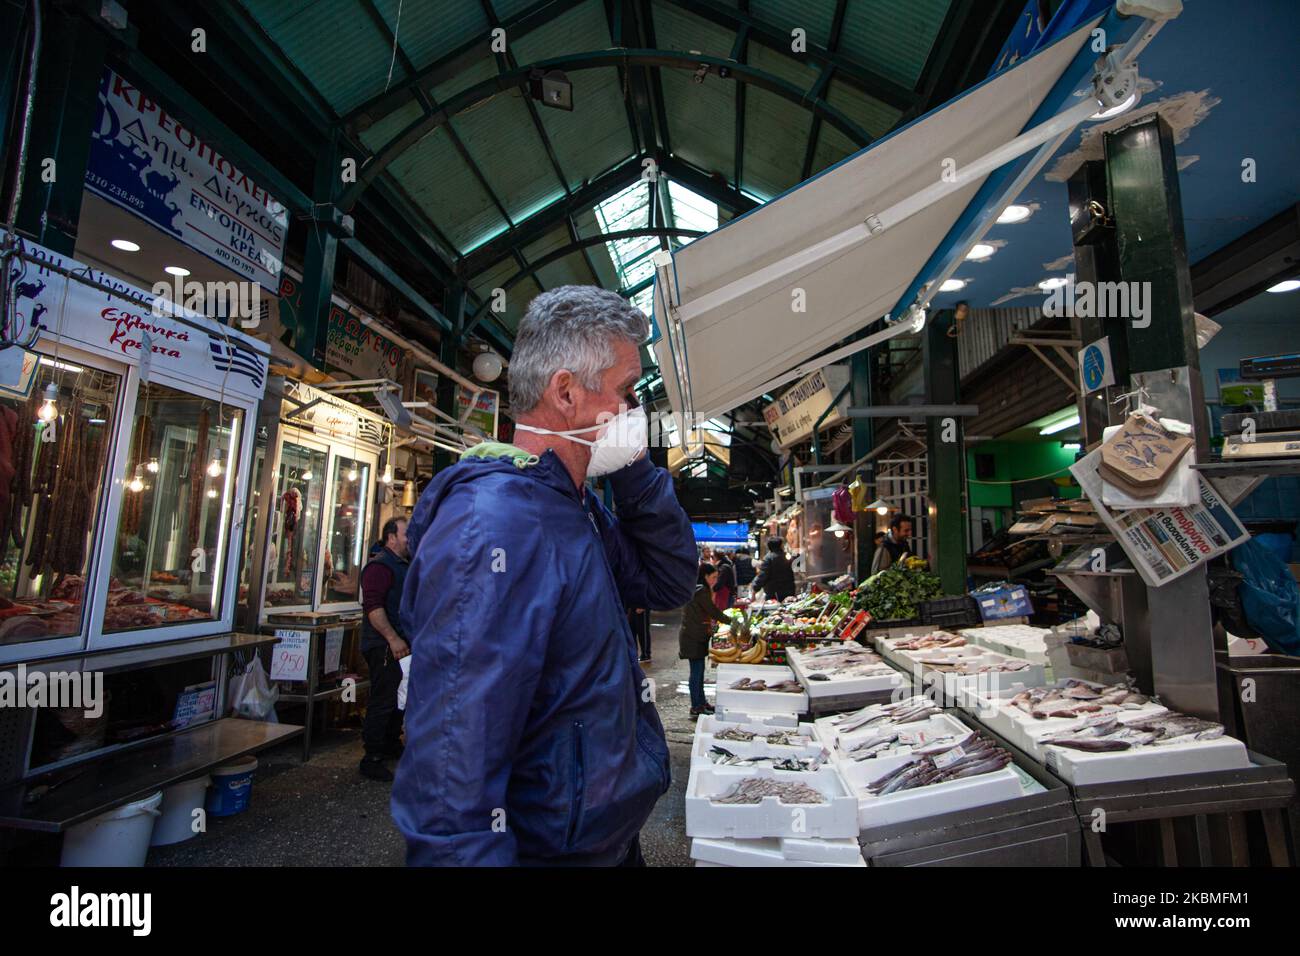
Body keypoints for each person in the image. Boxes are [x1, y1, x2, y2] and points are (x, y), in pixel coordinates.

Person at [393, 285, 696, 867]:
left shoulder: (574, 506)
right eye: (627, 393)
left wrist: (634, 472)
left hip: (599, 840)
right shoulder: (494, 526)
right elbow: (453, 773)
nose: (635, 413)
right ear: (565, 392)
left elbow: (667, 584)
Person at [358, 517, 411, 782]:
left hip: (401, 646)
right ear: (391, 536)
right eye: (405, 533)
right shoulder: (379, 567)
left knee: (397, 699)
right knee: (383, 700)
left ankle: (390, 743)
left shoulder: (402, 565)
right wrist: (392, 638)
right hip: (383, 646)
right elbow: (374, 609)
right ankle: (372, 758)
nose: (409, 538)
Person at [680, 563, 730, 718]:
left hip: (694, 635)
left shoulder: (696, 588)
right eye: (713, 577)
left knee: (699, 672)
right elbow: (712, 611)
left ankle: (701, 703)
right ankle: (696, 706)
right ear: (706, 576)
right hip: (694, 637)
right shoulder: (701, 591)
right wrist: (731, 621)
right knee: (696, 672)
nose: (715, 581)